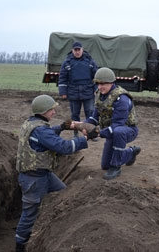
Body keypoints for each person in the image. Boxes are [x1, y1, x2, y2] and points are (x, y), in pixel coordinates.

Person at [14, 94, 95, 252]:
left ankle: (56, 226)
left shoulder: (31, 123)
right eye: (52, 110)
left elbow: (47, 135)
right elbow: (63, 147)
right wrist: (85, 139)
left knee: (64, 194)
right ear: (43, 111)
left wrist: (61, 127)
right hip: (34, 180)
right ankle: (20, 245)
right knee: (29, 214)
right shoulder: (41, 131)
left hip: (42, 175)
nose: (54, 112)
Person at [84, 67, 141, 180]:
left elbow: (117, 124)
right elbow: (94, 117)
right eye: (98, 84)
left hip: (127, 130)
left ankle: (116, 167)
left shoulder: (122, 98)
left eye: (103, 84)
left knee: (118, 132)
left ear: (111, 83)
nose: (100, 87)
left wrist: (98, 133)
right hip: (111, 132)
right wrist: (85, 126)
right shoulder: (100, 95)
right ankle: (131, 152)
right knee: (105, 165)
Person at [58, 41, 98, 137]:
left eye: (78, 50)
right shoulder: (67, 62)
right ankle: (75, 133)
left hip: (88, 91)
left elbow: (96, 76)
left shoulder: (90, 61)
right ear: (72, 50)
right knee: (75, 115)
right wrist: (63, 92)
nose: (77, 52)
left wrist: (96, 89)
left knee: (90, 113)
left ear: (82, 50)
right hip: (73, 92)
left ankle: (91, 133)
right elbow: (63, 77)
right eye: (75, 50)